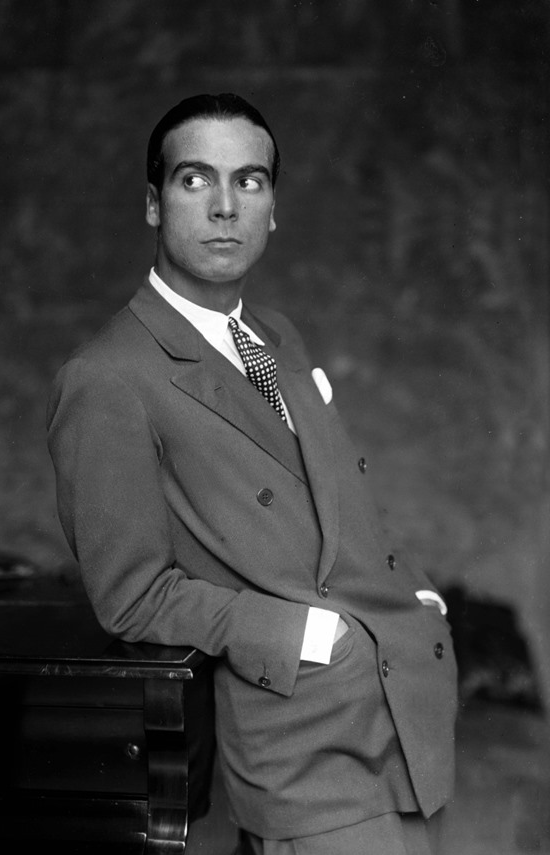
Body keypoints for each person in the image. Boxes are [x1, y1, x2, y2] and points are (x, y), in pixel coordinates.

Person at [47, 93, 458, 855]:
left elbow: (338, 495)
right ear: (152, 202)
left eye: (251, 181)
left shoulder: (273, 334)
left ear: (273, 207)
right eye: (196, 180)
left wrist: (414, 590)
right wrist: (307, 635)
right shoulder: (107, 377)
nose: (226, 207)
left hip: (408, 700)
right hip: (303, 740)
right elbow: (130, 596)